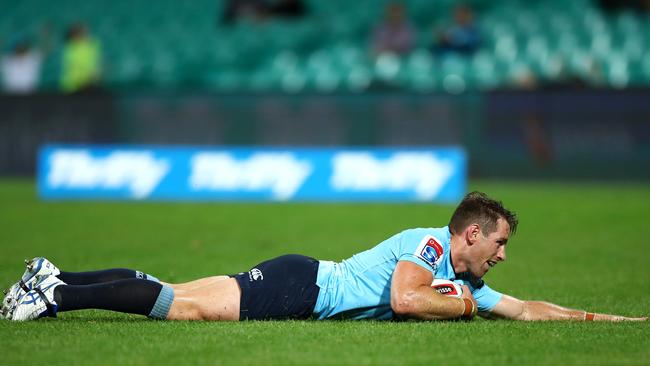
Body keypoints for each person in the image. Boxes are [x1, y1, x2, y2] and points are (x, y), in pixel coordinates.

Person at [2, 192, 647, 322]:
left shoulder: (459, 280)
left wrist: (603, 322)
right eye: (500, 241)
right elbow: (403, 297)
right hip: (304, 287)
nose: (504, 254)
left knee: (176, 292)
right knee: (184, 309)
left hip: (301, 281)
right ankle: (54, 296)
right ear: (470, 235)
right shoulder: (429, 247)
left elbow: (528, 309)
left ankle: (52, 280)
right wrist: (456, 307)